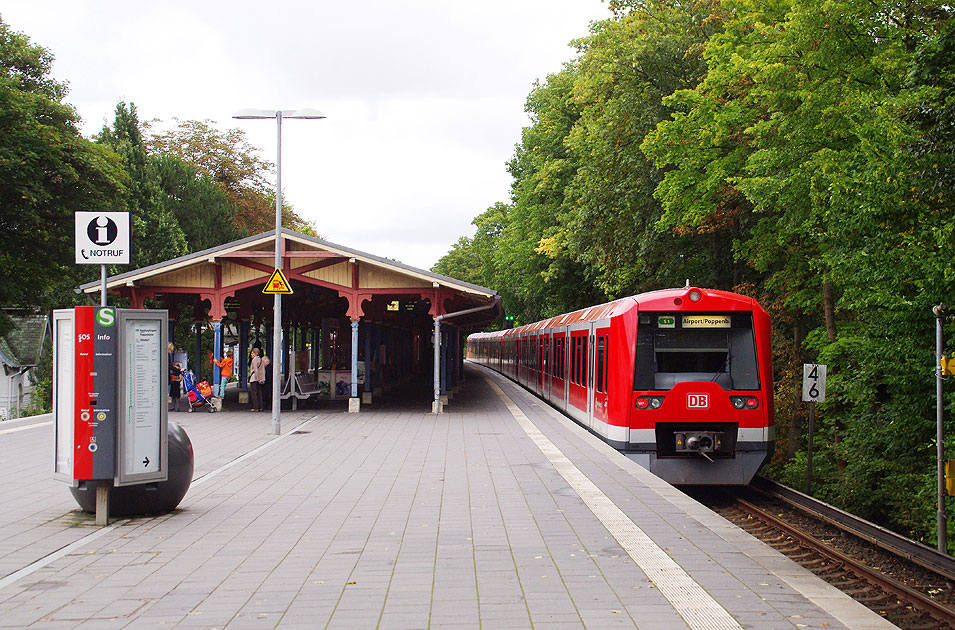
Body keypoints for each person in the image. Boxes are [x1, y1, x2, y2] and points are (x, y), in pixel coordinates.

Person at [248, 348, 265, 412]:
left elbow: (255, 369)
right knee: (259, 393)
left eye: (252, 353)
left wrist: (257, 379)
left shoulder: (254, 360)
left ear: (255, 353)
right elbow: (262, 370)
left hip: (254, 378)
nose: (251, 354)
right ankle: (261, 406)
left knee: (254, 393)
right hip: (259, 378)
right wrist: (262, 379)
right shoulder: (260, 359)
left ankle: (255, 407)